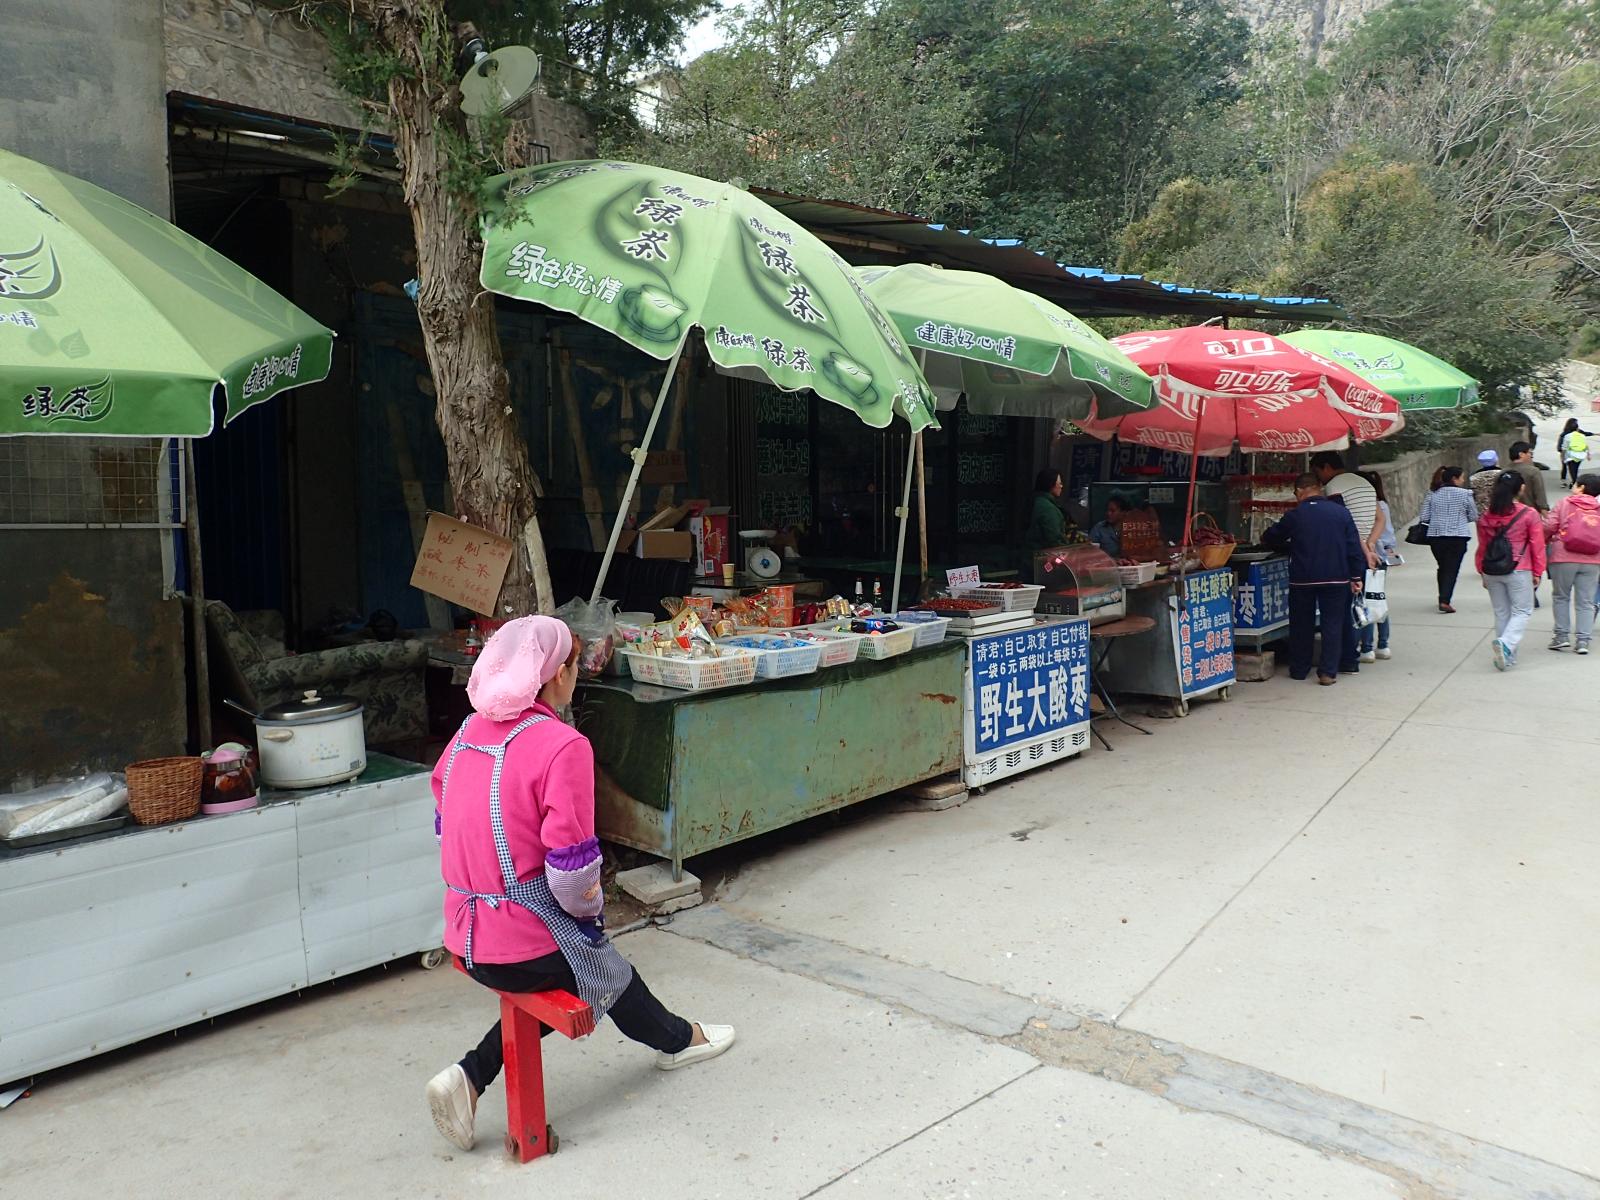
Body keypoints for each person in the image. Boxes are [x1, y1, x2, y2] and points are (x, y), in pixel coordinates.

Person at [425, 617, 735, 1152]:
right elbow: (571, 875)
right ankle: (678, 1040)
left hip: (465, 937)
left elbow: (444, 824)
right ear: (557, 674)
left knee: (584, 965)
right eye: (572, 664)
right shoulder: (562, 745)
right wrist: (591, 920)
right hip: (520, 945)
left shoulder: (465, 734)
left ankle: (469, 1077)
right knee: (604, 970)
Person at [1262, 473, 1367, 685]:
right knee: (1332, 624)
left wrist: (1289, 547)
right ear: (1319, 488)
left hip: (1303, 579)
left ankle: (1299, 670)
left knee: (1301, 625)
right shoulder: (1341, 513)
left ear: (1299, 491)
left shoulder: (1295, 515)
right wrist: (1356, 575)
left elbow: (1270, 537)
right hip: (1337, 577)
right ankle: (1328, 672)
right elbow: (1353, 546)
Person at [1310, 452, 1379, 675]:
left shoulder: (1334, 487)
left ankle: (1348, 659)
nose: (1318, 478)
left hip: (1348, 555)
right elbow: (1379, 518)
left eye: (1317, 472)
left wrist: (1361, 549)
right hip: (1364, 552)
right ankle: (1355, 656)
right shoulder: (1366, 484)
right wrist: (1369, 546)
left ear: (1326, 467)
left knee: (1341, 612)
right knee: (1356, 606)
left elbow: (1343, 525)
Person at [1475, 471, 1546, 671]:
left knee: (1501, 612)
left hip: (1491, 569)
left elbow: (1482, 545)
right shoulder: (1528, 514)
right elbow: (1537, 545)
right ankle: (1506, 645)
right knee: (1522, 610)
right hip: (1518, 567)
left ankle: (1507, 656)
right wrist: (1538, 571)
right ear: (1521, 488)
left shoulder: (1486, 515)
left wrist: (1481, 570)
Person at [1542, 473, 1600, 653]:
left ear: (1581, 487)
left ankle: (1561, 636)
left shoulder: (1564, 503)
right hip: (1592, 559)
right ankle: (1583, 641)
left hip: (1563, 556)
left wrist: (1545, 541)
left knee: (1561, 596)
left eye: (1575, 484)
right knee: (1586, 601)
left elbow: (1549, 526)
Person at [1415, 465, 1478, 613]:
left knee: (1443, 566)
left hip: (1436, 535)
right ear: (1454, 479)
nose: (1463, 480)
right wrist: (1462, 518)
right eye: (1462, 477)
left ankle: (1442, 596)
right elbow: (1474, 515)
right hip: (1458, 536)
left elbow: (1424, 516)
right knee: (1452, 568)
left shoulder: (1432, 494)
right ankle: (1444, 600)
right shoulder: (1466, 494)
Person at [1357, 472, 1396, 662]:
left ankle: (1366, 647)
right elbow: (1388, 535)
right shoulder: (1383, 505)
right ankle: (1383, 644)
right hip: (1381, 559)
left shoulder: (1365, 506)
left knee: (1366, 602)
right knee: (1377, 599)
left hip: (1368, 557)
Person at [1508, 440, 1549, 515]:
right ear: (1521, 454)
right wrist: (1545, 512)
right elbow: (1540, 495)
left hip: (1508, 514)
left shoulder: (1503, 472)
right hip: (1529, 514)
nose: (1531, 456)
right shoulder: (1533, 471)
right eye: (1530, 453)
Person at [1088, 493, 1129, 560]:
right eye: (1107, 510)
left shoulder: (1132, 527)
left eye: (1112, 511)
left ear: (1123, 512)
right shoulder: (1099, 528)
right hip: (1107, 564)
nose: (1108, 513)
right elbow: (1091, 553)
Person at [1557, 418, 1591, 488]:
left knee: (1569, 469)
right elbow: (1585, 444)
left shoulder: (1566, 435)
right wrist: (1588, 454)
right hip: (1579, 455)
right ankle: (1573, 482)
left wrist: (1562, 455)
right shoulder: (1580, 435)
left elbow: (1563, 447)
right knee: (1574, 469)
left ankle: (1572, 482)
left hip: (1569, 455)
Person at [1468, 449, 1501, 516]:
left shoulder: (1473, 478)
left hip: (1482, 514)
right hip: (1501, 511)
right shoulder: (1503, 474)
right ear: (1496, 460)